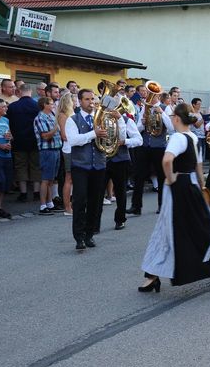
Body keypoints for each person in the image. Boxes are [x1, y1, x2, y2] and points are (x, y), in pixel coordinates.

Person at [140, 102, 210, 293]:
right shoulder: (193, 137)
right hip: (191, 185)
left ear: (176, 118)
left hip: (180, 188)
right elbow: (199, 168)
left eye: (172, 117)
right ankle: (152, 275)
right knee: (169, 230)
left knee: (187, 231)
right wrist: (202, 188)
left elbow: (167, 160)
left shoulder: (177, 138)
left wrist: (171, 178)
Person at [65, 89, 109, 250]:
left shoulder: (101, 118)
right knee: (80, 201)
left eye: (93, 99)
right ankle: (79, 237)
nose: (91, 102)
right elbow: (73, 140)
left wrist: (108, 135)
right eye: (87, 99)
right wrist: (93, 134)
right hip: (80, 166)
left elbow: (111, 138)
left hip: (99, 165)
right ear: (80, 101)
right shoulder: (72, 120)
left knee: (95, 202)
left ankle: (89, 234)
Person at [128, 90, 173, 216]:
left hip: (159, 147)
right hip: (144, 146)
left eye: (152, 94)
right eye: (148, 94)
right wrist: (143, 123)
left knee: (161, 176)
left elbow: (171, 128)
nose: (149, 96)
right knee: (139, 176)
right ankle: (136, 206)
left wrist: (162, 113)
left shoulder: (165, 108)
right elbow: (137, 129)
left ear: (157, 95)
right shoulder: (145, 108)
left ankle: (162, 205)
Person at [106, 102, 142, 230]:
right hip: (102, 160)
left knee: (120, 192)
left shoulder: (127, 121)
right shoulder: (100, 119)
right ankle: (94, 224)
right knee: (97, 193)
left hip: (121, 160)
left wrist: (125, 141)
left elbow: (139, 140)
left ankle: (120, 219)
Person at [7, 84, 41, 203]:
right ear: (31, 92)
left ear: (19, 92)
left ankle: (23, 193)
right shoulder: (37, 105)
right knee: (36, 166)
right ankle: (36, 193)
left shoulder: (12, 106)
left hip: (18, 141)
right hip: (35, 141)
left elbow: (8, 123)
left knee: (20, 167)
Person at [33, 97, 62, 215]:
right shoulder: (40, 118)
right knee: (45, 179)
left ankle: (50, 203)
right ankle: (43, 205)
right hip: (47, 151)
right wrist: (56, 128)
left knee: (51, 179)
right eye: (51, 104)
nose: (53, 106)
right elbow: (45, 136)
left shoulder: (51, 116)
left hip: (56, 149)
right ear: (45, 105)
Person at [56, 94, 75, 216]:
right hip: (69, 149)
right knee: (69, 178)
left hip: (75, 148)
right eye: (74, 100)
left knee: (74, 178)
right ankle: (67, 207)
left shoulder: (72, 114)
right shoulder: (63, 115)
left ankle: (73, 205)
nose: (76, 102)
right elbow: (64, 135)